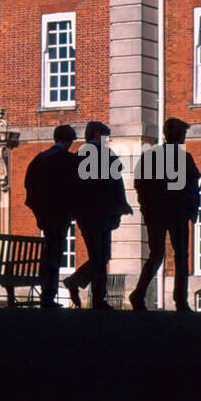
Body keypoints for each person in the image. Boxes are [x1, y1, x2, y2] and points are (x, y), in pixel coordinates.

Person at [129, 117, 200, 312]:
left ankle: (139, 294)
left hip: (157, 214)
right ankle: (180, 301)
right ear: (178, 135)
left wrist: (146, 208)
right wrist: (192, 211)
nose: (185, 136)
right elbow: (193, 187)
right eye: (183, 133)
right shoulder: (185, 158)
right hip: (177, 214)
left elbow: (140, 185)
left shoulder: (151, 156)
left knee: (157, 255)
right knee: (181, 258)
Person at [64, 121, 131, 309]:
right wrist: (122, 204)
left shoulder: (78, 156)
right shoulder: (106, 155)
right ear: (97, 135)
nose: (106, 141)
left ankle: (92, 293)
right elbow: (116, 183)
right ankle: (94, 295)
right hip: (102, 213)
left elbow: (73, 188)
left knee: (97, 255)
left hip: (84, 214)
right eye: (105, 137)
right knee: (102, 255)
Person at [23, 124, 80, 308]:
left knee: (49, 253)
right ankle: (48, 295)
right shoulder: (68, 160)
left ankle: (47, 294)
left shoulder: (40, 158)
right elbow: (75, 190)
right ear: (69, 141)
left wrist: (39, 212)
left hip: (45, 214)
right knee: (55, 253)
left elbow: (29, 188)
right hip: (60, 214)